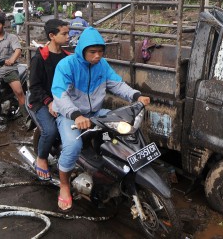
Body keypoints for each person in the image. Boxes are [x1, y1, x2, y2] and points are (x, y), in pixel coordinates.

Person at [51, 26, 150, 212]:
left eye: (100, 52)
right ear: (82, 50)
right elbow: (59, 93)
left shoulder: (102, 65)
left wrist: (137, 96)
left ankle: (109, 171)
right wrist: (76, 115)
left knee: (123, 129)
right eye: (92, 52)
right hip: (69, 115)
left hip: (95, 113)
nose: (97, 56)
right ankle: (64, 186)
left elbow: (117, 84)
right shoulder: (67, 65)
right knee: (73, 146)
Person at [28, 19, 70, 181]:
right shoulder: (40, 58)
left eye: (68, 33)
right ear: (52, 36)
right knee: (50, 130)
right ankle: (42, 158)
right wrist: (49, 102)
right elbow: (35, 87)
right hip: (42, 101)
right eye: (64, 34)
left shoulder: (67, 57)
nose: (68, 37)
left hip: (63, 100)